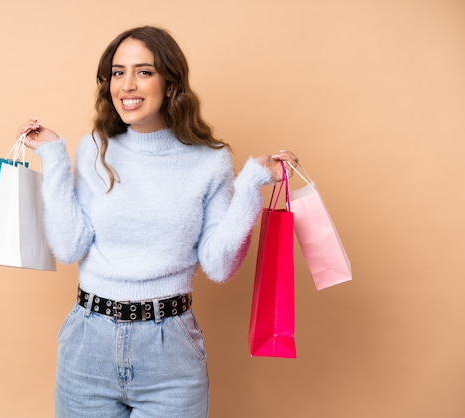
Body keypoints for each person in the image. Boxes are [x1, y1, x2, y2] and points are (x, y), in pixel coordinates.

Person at [18, 26, 298, 418]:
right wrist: (55, 159)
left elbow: (219, 265)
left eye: (144, 71)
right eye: (118, 72)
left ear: (170, 83)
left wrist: (250, 184)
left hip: (170, 352)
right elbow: (68, 247)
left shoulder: (209, 160)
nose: (127, 85)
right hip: (88, 345)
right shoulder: (94, 148)